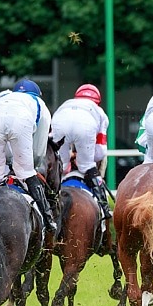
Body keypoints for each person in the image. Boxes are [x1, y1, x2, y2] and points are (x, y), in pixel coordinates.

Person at [0, 78, 56, 232]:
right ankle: (49, 219)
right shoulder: (40, 105)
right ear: (37, 94)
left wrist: (7, 162)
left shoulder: (5, 99)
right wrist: (24, 164)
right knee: (26, 172)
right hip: (20, 121)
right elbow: (38, 151)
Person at [51, 83, 112, 219]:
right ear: (98, 102)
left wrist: (69, 158)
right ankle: (104, 209)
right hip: (85, 126)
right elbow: (100, 152)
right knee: (87, 166)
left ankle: (46, 209)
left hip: (60, 121)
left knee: (62, 166)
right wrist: (82, 159)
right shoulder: (100, 112)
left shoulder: (65, 105)